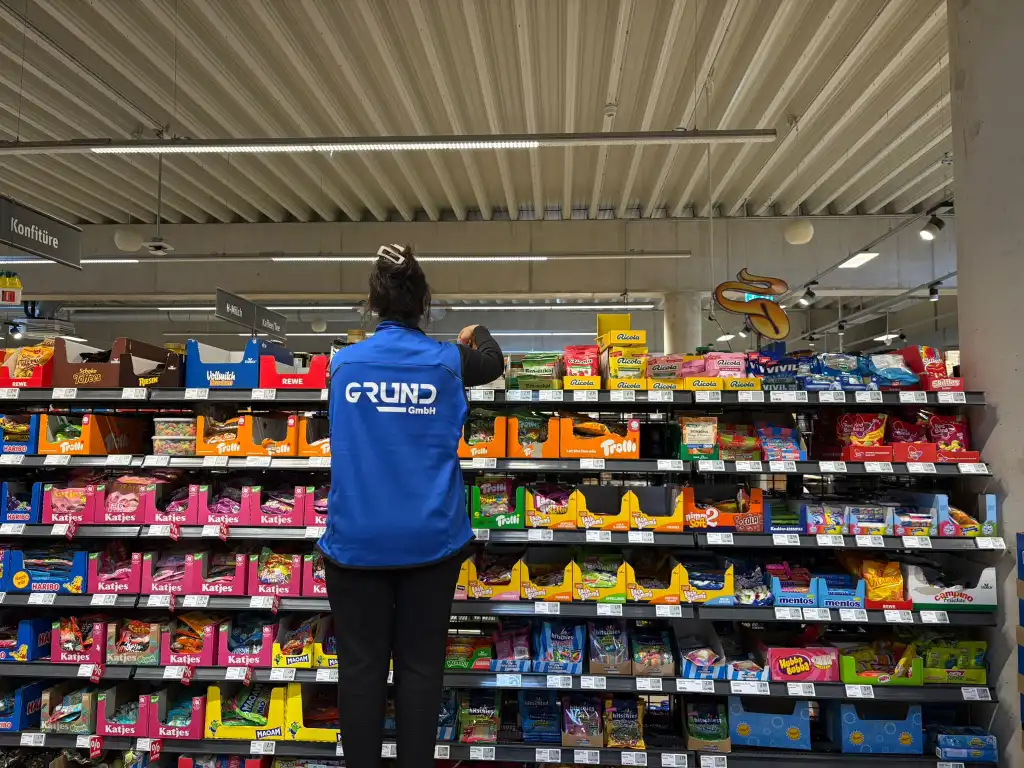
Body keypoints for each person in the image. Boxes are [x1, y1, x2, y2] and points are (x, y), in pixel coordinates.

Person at [319, 243, 504, 768]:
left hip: (356, 542)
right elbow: (494, 362)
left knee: (360, 672)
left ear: (372, 303)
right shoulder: (449, 361)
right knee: (421, 672)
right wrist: (476, 332)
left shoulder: (342, 364)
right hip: (430, 542)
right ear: (424, 303)